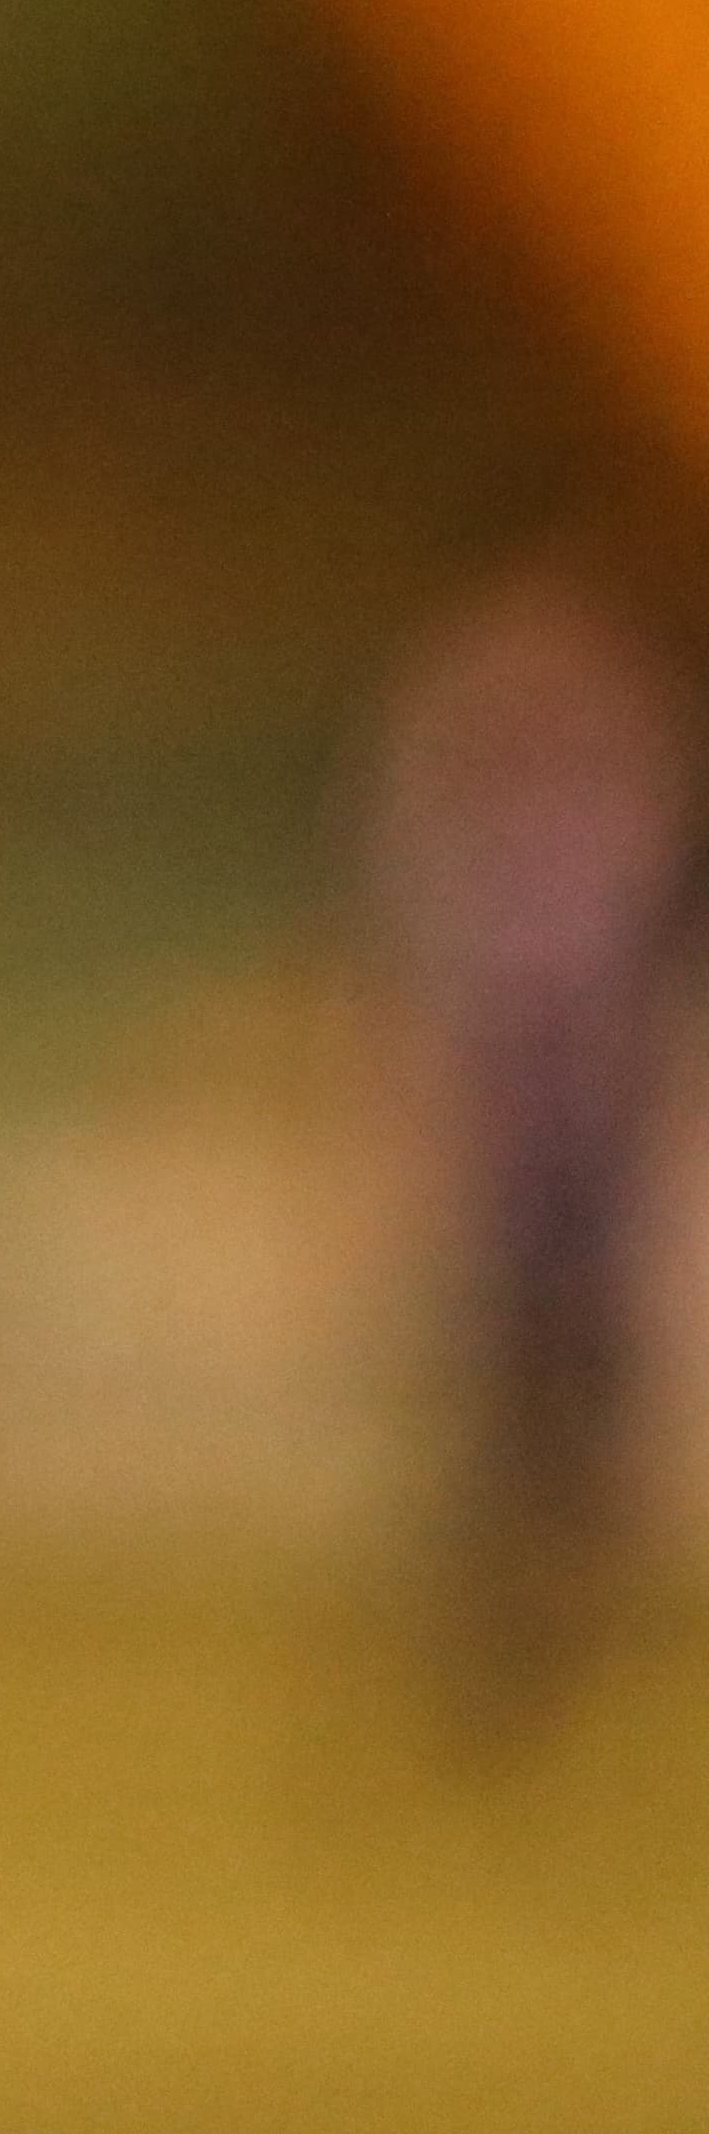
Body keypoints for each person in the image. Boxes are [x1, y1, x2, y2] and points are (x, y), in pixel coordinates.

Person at [362, 551, 698, 1740]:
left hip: (570, 1125)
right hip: (531, 1132)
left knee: (556, 1395)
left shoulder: (547, 709)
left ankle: (527, 1622)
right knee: (523, 1396)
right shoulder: (545, 705)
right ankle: (508, 1628)